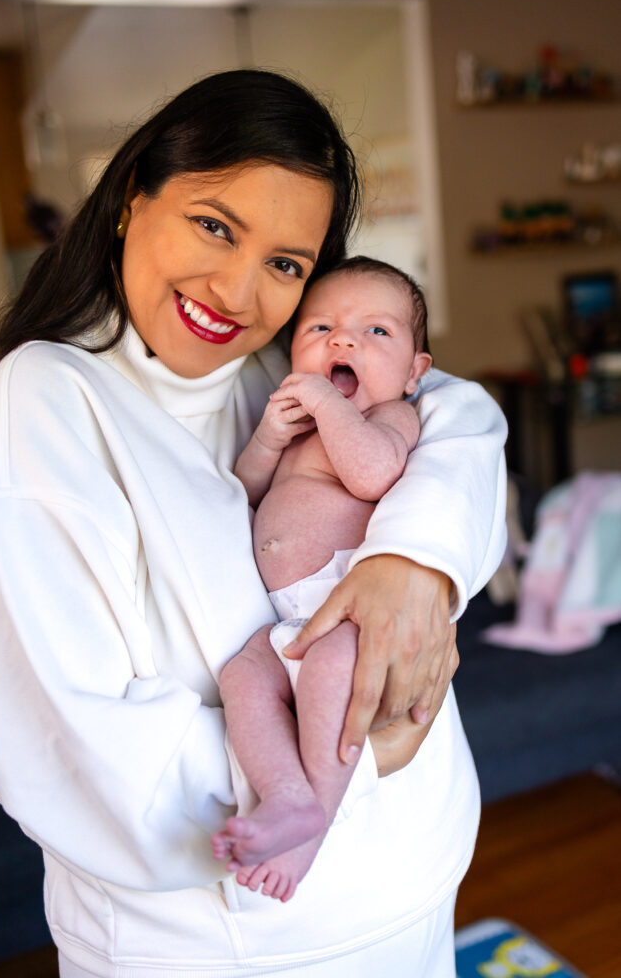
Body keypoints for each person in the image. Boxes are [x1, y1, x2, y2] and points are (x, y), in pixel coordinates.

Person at [0, 69, 507, 977]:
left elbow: (465, 421)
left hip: (418, 886)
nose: (238, 291)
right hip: (238, 947)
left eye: (284, 264)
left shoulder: (276, 375)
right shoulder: (42, 404)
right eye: (214, 225)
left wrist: (415, 559)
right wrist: (373, 759)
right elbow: (72, 748)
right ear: (132, 198)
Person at [212, 257, 433, 902]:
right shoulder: (297, 426)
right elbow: (245, 494)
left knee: (335, 676)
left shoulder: (391, 419)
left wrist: (325, 407)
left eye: (376, 333)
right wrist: (268, 440)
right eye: (321, 329)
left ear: (414, 373)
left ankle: (314, 827)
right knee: (241, 678)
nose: (343, 341)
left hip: (348, 610)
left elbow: (371, 475)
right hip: (286, 620)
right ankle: (285, 794)